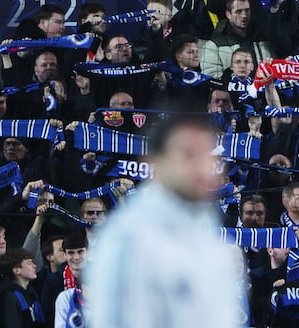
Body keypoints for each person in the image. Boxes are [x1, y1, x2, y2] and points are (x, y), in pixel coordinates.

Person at [86, 116, 241, 326]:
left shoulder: (212, 235)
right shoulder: (125, 236)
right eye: (187, 155)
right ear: (156, 161)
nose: (200, 167)